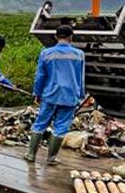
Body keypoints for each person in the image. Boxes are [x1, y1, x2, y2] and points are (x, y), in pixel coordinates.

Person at [26, 24, 85, 164]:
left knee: (40, 124)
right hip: (70, 96)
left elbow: (40, 76)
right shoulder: (79, 54)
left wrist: (37, 93)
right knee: (61, 127)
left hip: (50, 95)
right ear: (71, 37)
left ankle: (31, 155)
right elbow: (81, 77)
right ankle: (51, 158)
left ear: (56, 37)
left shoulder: (46, 53)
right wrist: (80, 95)